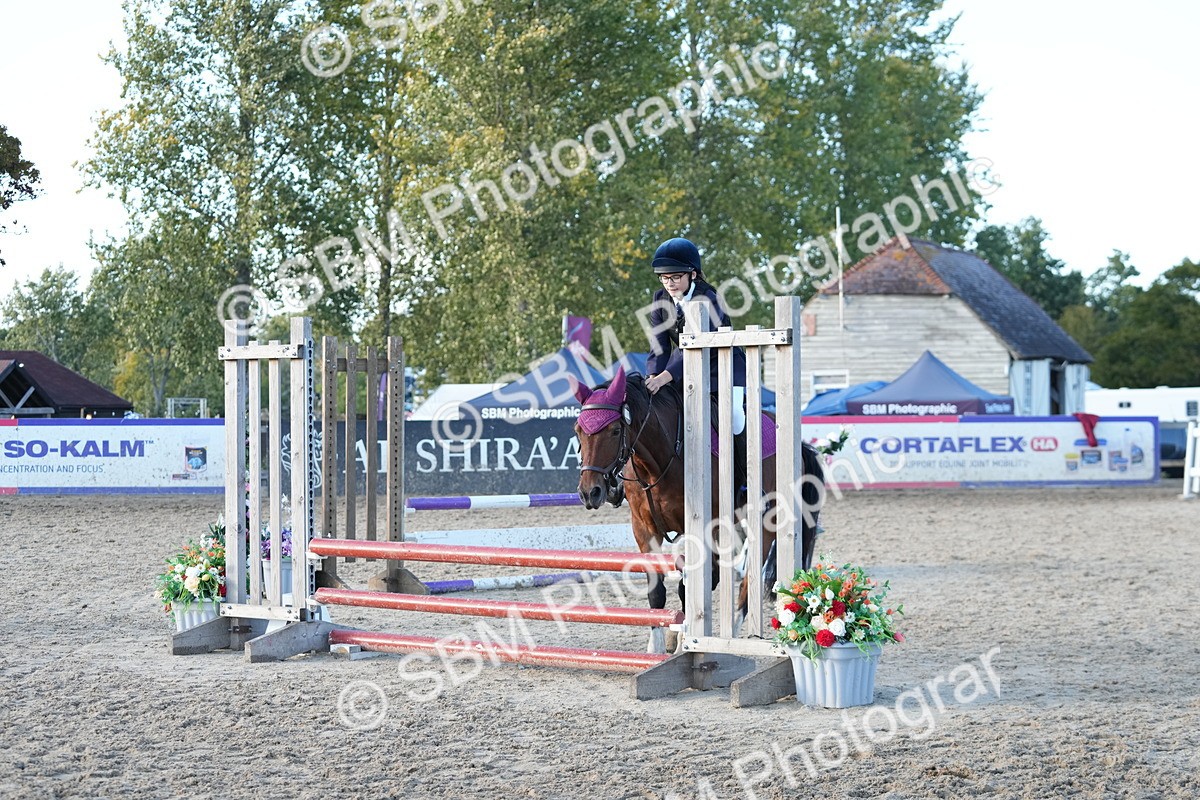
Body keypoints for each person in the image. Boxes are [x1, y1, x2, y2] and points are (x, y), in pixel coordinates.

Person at [644, 237, 748, 504]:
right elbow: (659, 347)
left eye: (676, 277)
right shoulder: (660, 300)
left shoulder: (709, 298)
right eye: (664, 278)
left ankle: (745, 482)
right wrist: (653, 377)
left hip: (721, 368)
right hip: (686, 373)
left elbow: (699, 345)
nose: (670, 283)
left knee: (735, 417)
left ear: (692, 273)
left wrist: (667, 376)